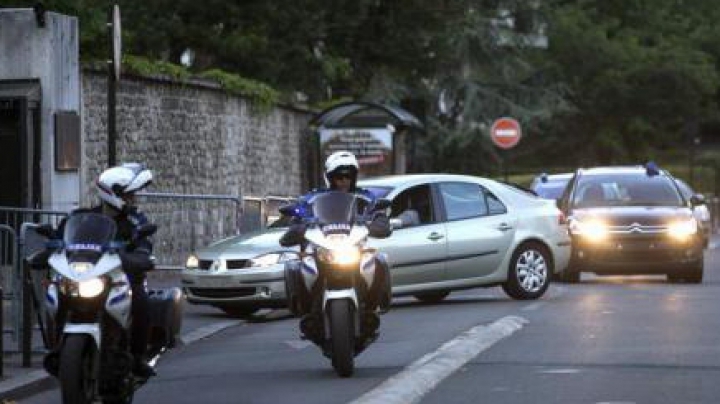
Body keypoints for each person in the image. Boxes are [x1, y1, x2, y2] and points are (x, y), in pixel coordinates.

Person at [31, 163, 156, 378]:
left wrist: (141, 255)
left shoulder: (135, 220)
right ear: (112, 194)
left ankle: (137, 357)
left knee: (141, 300)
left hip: (121, 277)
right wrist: (49, 248)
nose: (132, 200)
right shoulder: (82, 217)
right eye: (128, 195)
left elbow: (144, 242)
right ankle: (56, 345)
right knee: (55, 292)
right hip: (84, 274)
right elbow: (62, 238)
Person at [280, 151, 392, 313]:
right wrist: (297, 223)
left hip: (353, 247)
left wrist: (379, 222)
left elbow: (378, 213)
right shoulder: (313, 198)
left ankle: (372, 306)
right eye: (339, 177)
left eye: (349, 176)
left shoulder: (365, 197)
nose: (344, 181)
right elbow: (298, 214)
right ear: (330, 178)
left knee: (379, 260)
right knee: (296, 266)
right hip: (321, 248)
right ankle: (305, 308)